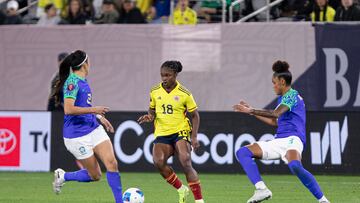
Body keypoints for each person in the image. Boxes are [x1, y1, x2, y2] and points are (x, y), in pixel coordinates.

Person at [233, 60, 330, 203]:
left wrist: (251, 110)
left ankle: (323, 200)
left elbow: (275, 114)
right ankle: (261, 189)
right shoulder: (283, 99)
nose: (273, 86)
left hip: (293, 138)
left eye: (274, 82)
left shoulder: (292, 96)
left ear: (282, 82)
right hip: (279, 140)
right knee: (242, 152)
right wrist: (252, 112)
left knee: (295, 165)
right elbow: (274, 122)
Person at [52, 50, 123, 203]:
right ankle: (63, 176)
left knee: (112, 163)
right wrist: (94, 109)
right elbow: (69, 110)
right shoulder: (72, 83)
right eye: (89, 61)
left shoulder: (82, 80)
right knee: (95, 175)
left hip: (93, 128)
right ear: (85, 64)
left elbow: (83, 106)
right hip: (76, 135)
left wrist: (98, 117)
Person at [138, 61, 205, 203]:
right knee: (158, 162)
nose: (164, 78)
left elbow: (195, 116)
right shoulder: (155, 91)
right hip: (162, 132)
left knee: (185, 161)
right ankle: (181, 189)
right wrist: (150, 116)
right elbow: (152, 110)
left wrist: (194, 137)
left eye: (167, 75)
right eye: (162, 75)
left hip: (180, 130)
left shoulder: (184, 93)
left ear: (175, 75)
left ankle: (199, 200)